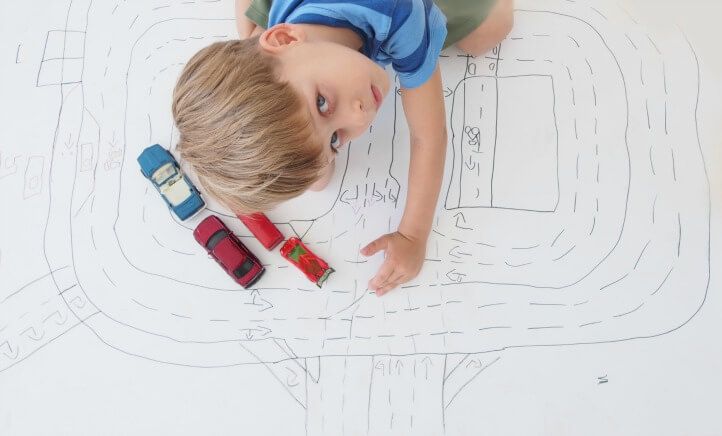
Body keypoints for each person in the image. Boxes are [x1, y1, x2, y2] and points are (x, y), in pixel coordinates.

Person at [172, 0, 513, 296]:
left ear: (285, 38)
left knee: (492, 30)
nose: (361, 116)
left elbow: (429, 135)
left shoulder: (398, 13)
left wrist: (413, 235)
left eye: (322, 103)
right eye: (336, 139)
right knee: (314, 171)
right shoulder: (284, 45)